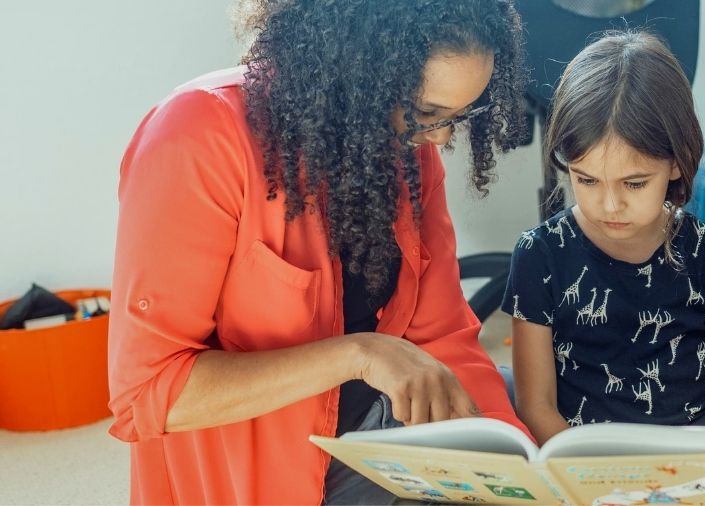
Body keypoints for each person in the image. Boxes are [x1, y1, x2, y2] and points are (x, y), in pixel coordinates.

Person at [107, 1, 531, 504]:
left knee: (522, 400)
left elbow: (442, 336)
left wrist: (517, 471)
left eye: (459, 117)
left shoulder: (411, 154)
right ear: (354, 68)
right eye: (426, 113)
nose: (438, 137)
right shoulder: (199, 133)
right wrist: (358, 354)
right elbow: (149, 393)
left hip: (373, 430)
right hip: (261, 472)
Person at [501, 30, 705, 450]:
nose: (610, 205)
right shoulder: (539, 255)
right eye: (587, 180)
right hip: (588, 461)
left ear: (676, 161)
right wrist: (590, 475)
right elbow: (536, 406)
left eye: (634, 184)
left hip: (698, 454)